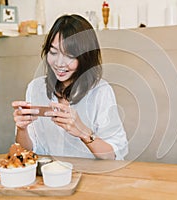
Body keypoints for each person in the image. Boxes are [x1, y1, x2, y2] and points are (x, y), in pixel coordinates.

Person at [12, 14, 128, 160]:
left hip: (91, 177)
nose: (59, 63)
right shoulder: (36, 88)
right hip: (49, 177)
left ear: (86, 57)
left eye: (70, 56)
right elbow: (28, 151)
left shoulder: (100, 91)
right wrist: (22, 129)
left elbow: (113, 154)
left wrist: (83, 133)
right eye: (53, 52)